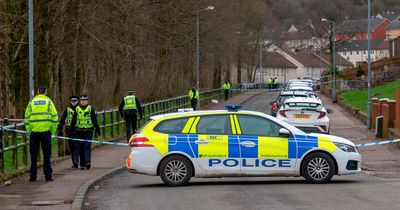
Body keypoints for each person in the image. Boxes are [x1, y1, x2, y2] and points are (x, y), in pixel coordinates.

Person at [24, 86, 58, 182]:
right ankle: (48, 176)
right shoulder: (49, 102)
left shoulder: (31, 102)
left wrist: (28, 130)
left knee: (33, 155)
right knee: (47, 155)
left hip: (34, 132)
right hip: (46, 132)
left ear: (38, 92)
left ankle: (32, 176)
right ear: (46, 92)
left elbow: (26, 117)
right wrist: (52, 130)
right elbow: (55, 117)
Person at [70, 95, 100, 170]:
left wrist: (97, 128)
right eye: (82, 100)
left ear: (87, 101)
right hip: (79, 131)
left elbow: (94, 120)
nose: (83, 102)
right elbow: (74, 120)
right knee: (80, 147)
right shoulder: (77, 108)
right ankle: (82, 164)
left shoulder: (90, 108)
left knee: (87, 147)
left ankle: (88, 162)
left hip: (88, 131)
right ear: (80, 101)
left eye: (85, 100)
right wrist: (71, 129)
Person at [58, 96, 79, 168]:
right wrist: (60, 128)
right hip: (69, 129)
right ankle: (75, 162)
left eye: (75, 101)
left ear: (77, 101)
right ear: (70, 102)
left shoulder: (80, 108)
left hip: (78, 129)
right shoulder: (67, 109)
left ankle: (77, 161)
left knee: (77, 146)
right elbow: (63, 119)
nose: (74, 103)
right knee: (71, 146)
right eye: (72, 101)